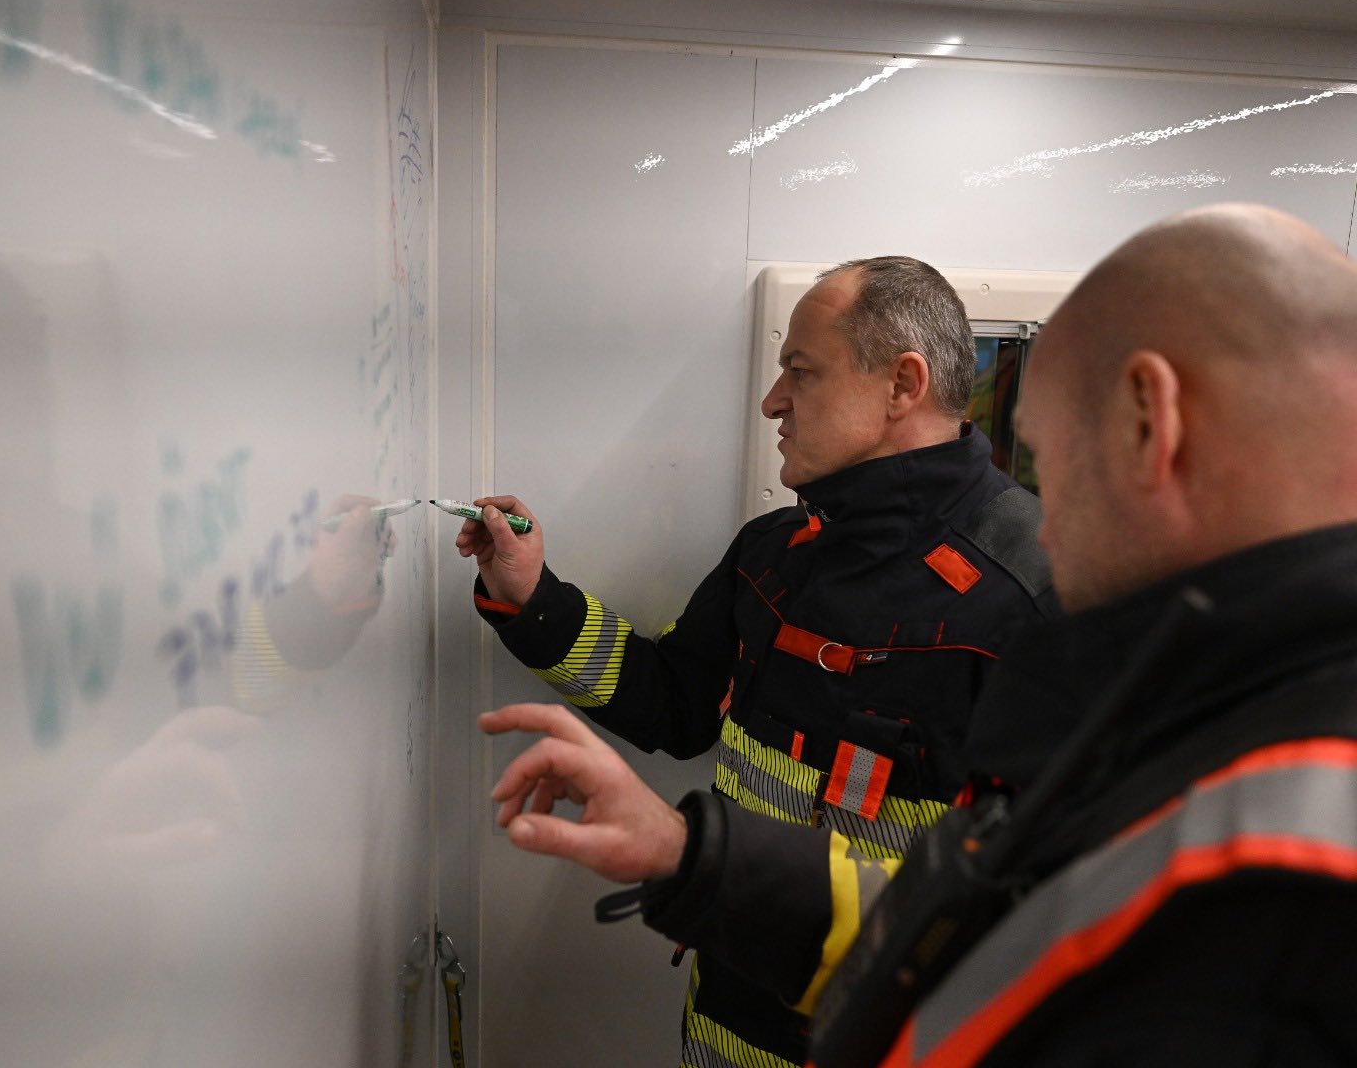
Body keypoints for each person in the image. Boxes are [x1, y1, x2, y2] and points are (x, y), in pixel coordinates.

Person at [483, 203, 1357, 1066]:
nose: (1049, 519)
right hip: (735, 1004)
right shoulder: (776, 550)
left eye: (1054, 459)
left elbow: (1029, 963)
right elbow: (992, 928)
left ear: (1150, 422)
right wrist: (538, 607)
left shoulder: (1043, 607)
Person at [458, 257, 1056, 1066]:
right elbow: (677, 706)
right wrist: (532, 598)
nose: (773, 400)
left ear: (902, 385)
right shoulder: (775, 552)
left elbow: (1041, 906)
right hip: (725, 1024)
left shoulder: (1033, 594)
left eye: (800, 372)